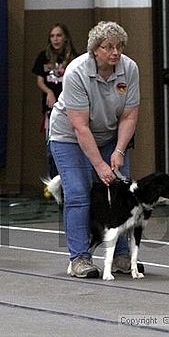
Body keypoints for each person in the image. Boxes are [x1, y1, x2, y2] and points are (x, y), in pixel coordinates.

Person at [48, 21, 140, 278]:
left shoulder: (129, 69)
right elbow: (80, 126)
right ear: (94, 50)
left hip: (110, 133)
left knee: (121, 193)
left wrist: (119, 151)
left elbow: (130, 115)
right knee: (78, 193)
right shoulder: (77, 71)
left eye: (119, 46)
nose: (115, 52)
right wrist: (99, 165)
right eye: (108, 47)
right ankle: (79, 258)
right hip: (69, 136)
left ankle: (121, 255)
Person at [32, 23, 77, 179]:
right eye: (52, 36)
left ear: (65, 38)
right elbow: (39, 81)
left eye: (59, 35)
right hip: (51, 110)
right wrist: (49, 91)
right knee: (52, 149)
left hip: (70, 108)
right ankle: (53, 182)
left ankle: (69, 181)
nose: (55, 39)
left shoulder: (73, 58)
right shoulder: (43, 56)